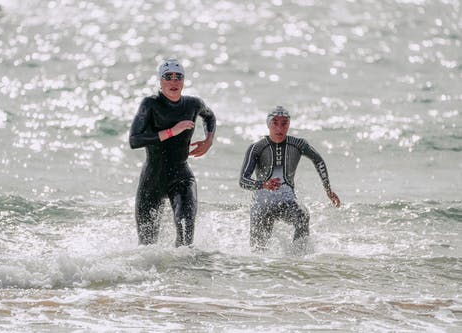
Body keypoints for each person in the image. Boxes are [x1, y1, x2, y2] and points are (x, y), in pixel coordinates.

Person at [129, 58, 216, 247]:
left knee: (186, 230)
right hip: (152, 180)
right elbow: (134, 140)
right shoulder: (150, 104)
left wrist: (209, 140)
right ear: (160, 81)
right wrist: (172, 131)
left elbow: (209, 116)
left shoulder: (193, 104)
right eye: (168, 77)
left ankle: (184, 273)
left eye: (179, 77)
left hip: (181, 177)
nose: (174, 82)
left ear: (183, 81)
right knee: (147, 245)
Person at [239, 106, 340, 250]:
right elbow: (243, 180)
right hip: (262, 205)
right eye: (275, 123)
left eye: (284, 123)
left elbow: (318, 161)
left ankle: (297, 258)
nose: (279, 128)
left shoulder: (298, 145)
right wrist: (263, 184)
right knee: (258, 251)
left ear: (289, 125)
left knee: (302, 216)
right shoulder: (257, 148)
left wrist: (328, 190)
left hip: (286, 202)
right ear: (268, 124)